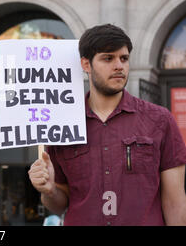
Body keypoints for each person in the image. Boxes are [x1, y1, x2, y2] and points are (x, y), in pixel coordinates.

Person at [28, 24, 186, 226]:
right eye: (108, 58)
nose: (119, 66)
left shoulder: (160, 120)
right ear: (86, 64)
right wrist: (48, 190)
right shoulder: (62, 123)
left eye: (124, 58)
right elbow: (58, 204)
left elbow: (175, 203)